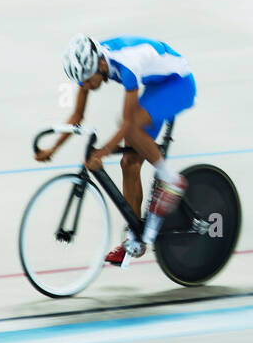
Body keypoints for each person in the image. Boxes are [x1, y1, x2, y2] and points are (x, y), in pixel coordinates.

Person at [36, 34, 194, 262]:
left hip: (179, 84)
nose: (87, 86)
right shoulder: (92, 66)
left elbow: (128, 124)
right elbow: (77, 115)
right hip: (157, 87)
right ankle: (135, 238)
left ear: (100, 65)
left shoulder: (127, 63)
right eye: (82, 82)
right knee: (129, 163)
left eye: (88, 80)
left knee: (129, 126)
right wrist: (53, 149)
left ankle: (171, 180)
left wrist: (102, 152)